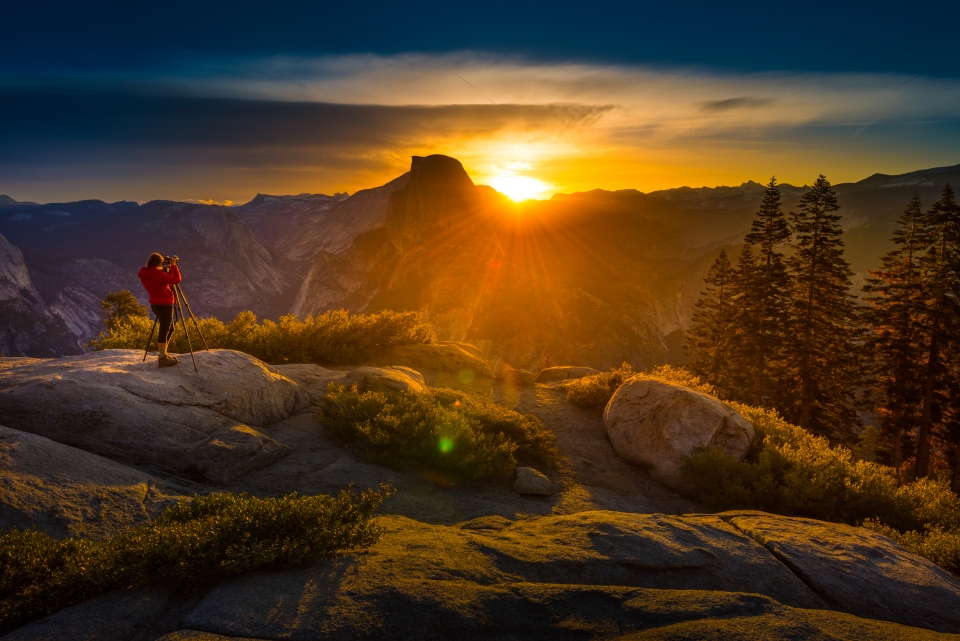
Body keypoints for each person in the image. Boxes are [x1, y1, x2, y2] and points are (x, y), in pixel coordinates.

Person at [138, 253, 182, 367]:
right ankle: (162, 358)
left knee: (170, 328)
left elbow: (159, 277)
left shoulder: (145, 273)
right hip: (165, 305)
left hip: (155, 304)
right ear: (158, 263)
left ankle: (164, 354)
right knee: (164, 330)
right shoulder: (158, 275)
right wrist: (173, 266)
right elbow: (177, 279)